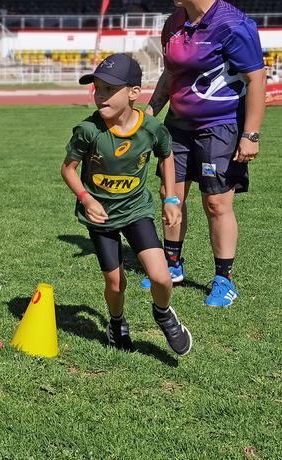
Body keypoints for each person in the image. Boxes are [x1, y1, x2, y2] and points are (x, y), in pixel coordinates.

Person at [144, 0, 265, 307]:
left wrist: (251, 135)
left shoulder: (233, 24)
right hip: (176, 126)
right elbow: (170, 73)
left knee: (215, 203)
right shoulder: (174, 22)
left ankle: (223, 279)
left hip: (220, 127)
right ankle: (172, 265)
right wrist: (150, 111)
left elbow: (256, 80)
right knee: (172, 198)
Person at [61, 53, 192, 356]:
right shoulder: (88, 130)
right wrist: (86, 198)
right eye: (97, 88)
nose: (100, 95)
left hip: (136, 210)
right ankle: (116, 322)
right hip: (101, 217)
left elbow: (167, 154)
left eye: (109, 89)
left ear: (134, 93)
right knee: (116, 284)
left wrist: (170, 197)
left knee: (161, 275)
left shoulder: (151, 129)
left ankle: (163, 313)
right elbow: (68, 169)